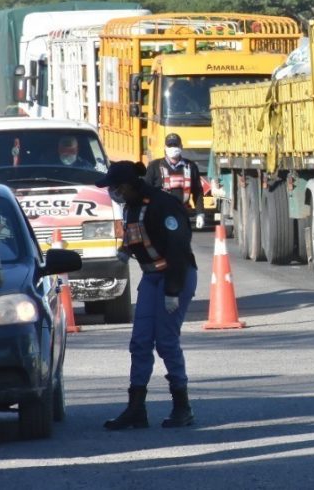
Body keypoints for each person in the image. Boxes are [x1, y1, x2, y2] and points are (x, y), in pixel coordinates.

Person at [98, 160, 199, 430]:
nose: (113, 193)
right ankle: (136, 409)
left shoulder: (163, 205)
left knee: (166, 342)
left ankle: (182, 406)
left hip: (175, 276)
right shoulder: (132, 206)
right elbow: (138, 235)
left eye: (116, 187)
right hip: (152, 276)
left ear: (130, 185)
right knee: (140, 341)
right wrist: (125, 250)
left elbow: (178, 249)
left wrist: (173, 291)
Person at [146, 133, 206, 229]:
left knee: (181, 242)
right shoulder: (154, 166)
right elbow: (146, 191)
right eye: (170, 146)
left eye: (175, 145)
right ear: (165, 147)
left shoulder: (190, 166)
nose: (173, 148)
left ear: (181, 147)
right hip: (160, 216)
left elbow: (197, 191)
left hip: (182, 214)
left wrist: (200, 214)